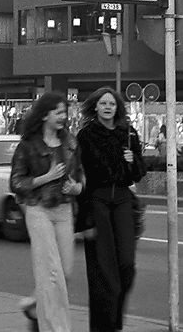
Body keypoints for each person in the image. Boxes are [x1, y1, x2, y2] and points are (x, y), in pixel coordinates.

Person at [10, 92, 83, 332]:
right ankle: (56, 328)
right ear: (44, 115)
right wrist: (45, 178)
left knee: (66, 272)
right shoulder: (28, 145)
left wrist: (78, 187)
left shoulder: (70, 143)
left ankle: (34, 305)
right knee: (51, 272)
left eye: (65, 112)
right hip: (38, 210)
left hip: (64, 211)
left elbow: (81, 175)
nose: (63, 117)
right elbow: (16, 183)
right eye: (58, 112)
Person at [76, 87, 141, 332]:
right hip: (98, 201)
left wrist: (132, 161)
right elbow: (81, 177)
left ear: (117, 108)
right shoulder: (86, 135)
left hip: (123, 198)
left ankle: (114, 316)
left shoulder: (128, 133)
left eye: (111, 104)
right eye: (103, 103)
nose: (107, 107)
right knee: (104, 271)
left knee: (127, 264)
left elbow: (138, 173)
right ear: (95, 107)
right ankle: (105, 326)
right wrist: (85, 220)